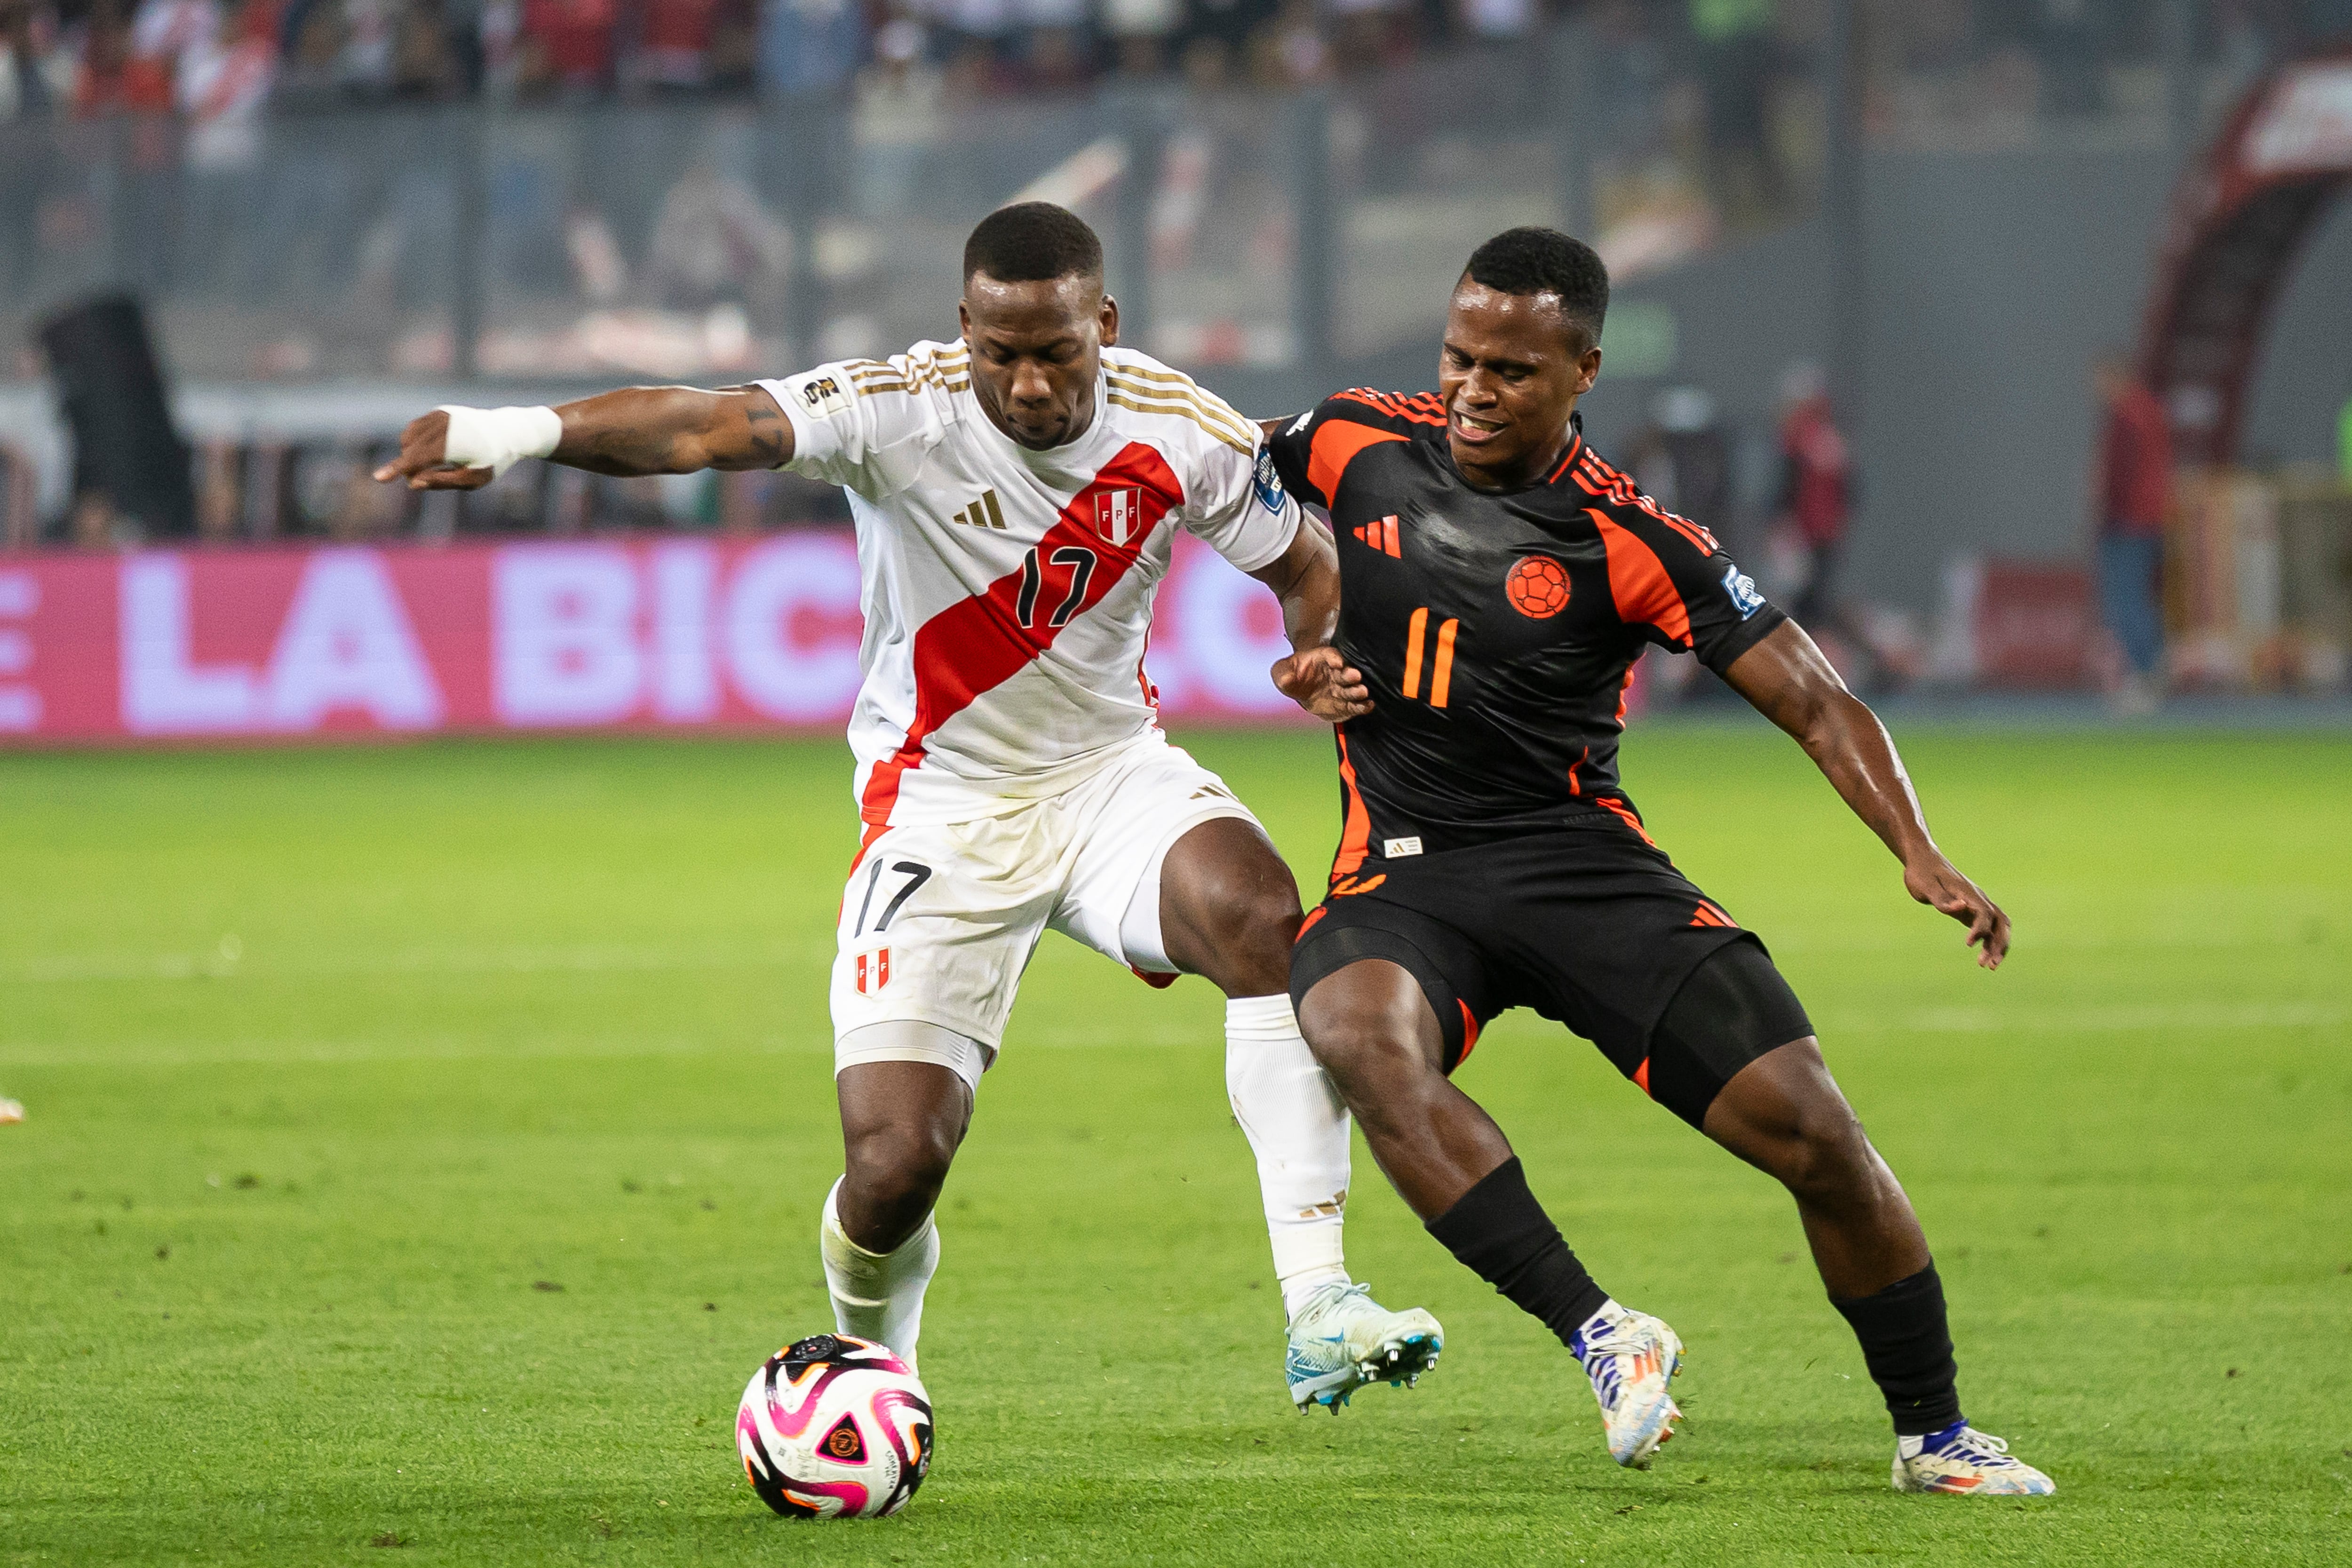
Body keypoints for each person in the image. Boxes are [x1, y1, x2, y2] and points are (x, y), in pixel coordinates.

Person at [373, 202, 1442, 1413]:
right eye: (1000, 354)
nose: (1028, 384)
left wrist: (1317, 652)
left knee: (1261, 917)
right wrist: (513, 433)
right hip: (938, 805)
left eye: (1057, 352)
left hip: (1109, 777)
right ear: (963, 330)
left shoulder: (1178, 426)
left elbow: (1307, 567)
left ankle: (1319, 1303)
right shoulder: (898, 408)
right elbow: (704, 425)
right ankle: (874, 1367)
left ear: (1104, 324)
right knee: (893, 1169)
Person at [1260, 226, 2056, 1495]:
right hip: (1406, 874)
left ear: (1583, 370)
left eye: (1512, 370)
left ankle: (1935, 1432)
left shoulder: (1631, 535)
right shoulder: (1350, 438)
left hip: (1583, 869)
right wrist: (1304, 646)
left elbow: (1816, 699)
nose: (1472, 390)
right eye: (1460, 358)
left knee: (1816, 1134)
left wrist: (1918, 849)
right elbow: (1212, 484)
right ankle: (1602, 1331)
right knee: (1356, 1033)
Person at [2092, 351, 2170, 715]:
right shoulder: (2150, 411)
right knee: (2138, 599)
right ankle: (2149, 673)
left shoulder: (2129, 416)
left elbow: (2119, 475)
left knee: (2127, 601)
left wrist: (2104, 512)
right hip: (2148, 519)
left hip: (2128, 522)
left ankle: (2144, 676)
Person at [1774, 359, 1851, 633]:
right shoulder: (1817, 441)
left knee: (1807, 599)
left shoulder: (1808, 440)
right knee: (1799, 596)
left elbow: (1789, 487)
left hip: (1812, 532)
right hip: (1808, 532)